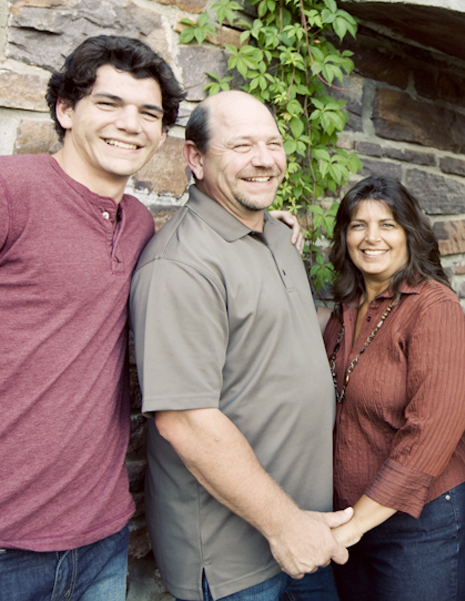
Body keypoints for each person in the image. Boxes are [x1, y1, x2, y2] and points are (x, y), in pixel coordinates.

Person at [0, 35, 184, 600]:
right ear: (65, 109)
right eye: (109, 104)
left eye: (148, 112)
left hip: (98, 541)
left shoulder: (139, 225)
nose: (131, 124)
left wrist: (263, 221)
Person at [129, 90, 349, 601]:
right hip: (239, 562)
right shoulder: (181, 265)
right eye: (242, 145)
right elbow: (184, 420)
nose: (264, 159)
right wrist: (284, 525)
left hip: (310, 531)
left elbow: (283, 332)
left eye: (273, 143)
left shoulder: (274, 234)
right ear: (196, 158)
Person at [322, 174, 465, 601]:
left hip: (427, 522)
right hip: (356, 518)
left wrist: (355, 524)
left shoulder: (434, 308)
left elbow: (430, 434)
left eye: (387, 225)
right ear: (344, 236)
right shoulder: (344, 312)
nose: (371, 237)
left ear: (409, 235)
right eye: (358, 225)